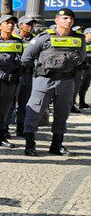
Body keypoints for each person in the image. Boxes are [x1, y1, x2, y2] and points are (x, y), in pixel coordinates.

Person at [22, 8, 86, 156]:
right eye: (65, 18)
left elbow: (81, 59)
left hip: (66, 81)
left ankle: (56, 145)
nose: (68, 21)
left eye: (71, 18)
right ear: (56, 20)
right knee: (35, 111)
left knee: (62, 114)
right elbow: (26, 58)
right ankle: (30, 145)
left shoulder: (78, 39)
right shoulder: (44, 37)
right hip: (44, 80)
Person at [0, 15, 24, 146]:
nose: (10, 25)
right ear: (0, 26)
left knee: (3, 112)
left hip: (9, 83)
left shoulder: (18, 42)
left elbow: (22, 62)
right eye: (7, 23)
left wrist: (15, 76)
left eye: (12, 23)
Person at [15, 14, 38, 135]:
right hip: (16, 74)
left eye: (32, 24)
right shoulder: (14, 38)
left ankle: (20, 127)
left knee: (25, 103)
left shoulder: (36, 39)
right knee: (10, 104)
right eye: (28, 24)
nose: (30, 26)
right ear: (20, 25)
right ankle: (4, 130)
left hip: (29, 74)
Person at [76, 27, 91, 109]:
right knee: (77, 86)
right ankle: (72, 103)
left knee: (85, 86)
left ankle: (82, 102)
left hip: (89, 68)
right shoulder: (81, 43)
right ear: (86, 34)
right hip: (81, 68)